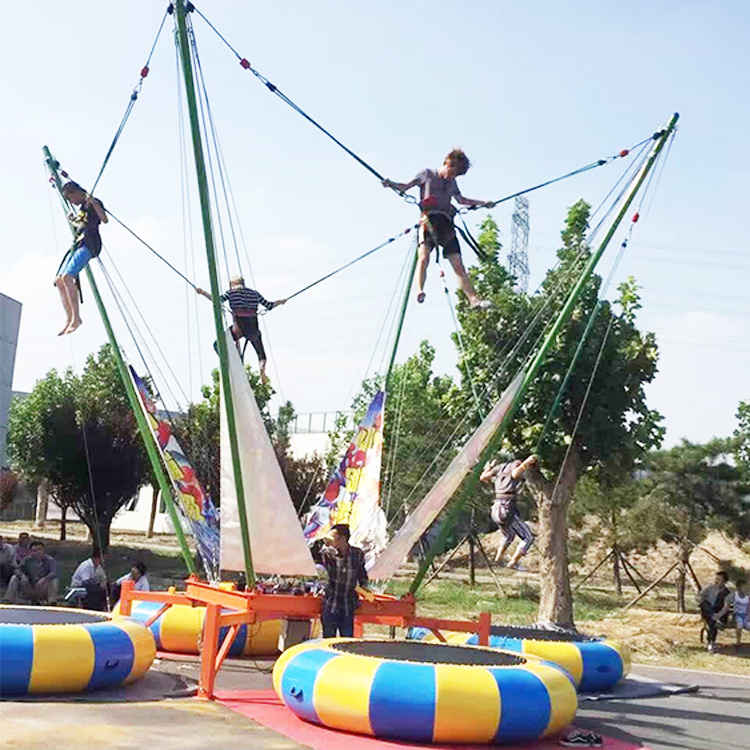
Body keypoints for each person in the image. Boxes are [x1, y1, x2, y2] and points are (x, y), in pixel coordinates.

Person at [382, 149, 494, 308]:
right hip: (429, 221)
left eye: (455, 176)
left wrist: (483, 203)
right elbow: (404, 187)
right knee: (424, 258)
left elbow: (461, 200)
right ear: (447, 163)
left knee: (458, 264)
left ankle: (473, 299)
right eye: (452, 173)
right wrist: (391, 184)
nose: (452, 177)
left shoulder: (452, 182)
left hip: (446, 223)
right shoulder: (427, 174)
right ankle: (420, 290)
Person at [196, 276, 286, 383]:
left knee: (217, 344)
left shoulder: (231, 293)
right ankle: (262, 367)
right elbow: (269, 305)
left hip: (238, 327)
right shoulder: (255, 293)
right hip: (253, 328)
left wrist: (203, 292)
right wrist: (280, 302)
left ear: (233, 284)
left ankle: (229, 362)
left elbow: (217, 299)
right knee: (261, 354)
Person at [55, 181, 108, 336]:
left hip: (91, 243)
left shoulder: (93, 202)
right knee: (59, 280)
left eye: (71, 198)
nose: (72, 202)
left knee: (67, 276)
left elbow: (104, 219)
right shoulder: (81, 209)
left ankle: (76, 318)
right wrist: (73, 220)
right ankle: (70, 318)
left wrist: (94, 204)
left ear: (76, 192)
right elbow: (81, 225)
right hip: (80, 242)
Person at [480, 454, 537, 570]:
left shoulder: (499, 468)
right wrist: (527, 462)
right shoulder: (516, 465)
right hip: (506, 509)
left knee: (509, 535)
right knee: (528, 537)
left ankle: (497, 559)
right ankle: (513, 563)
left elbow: (483, 477)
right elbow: (515, 473)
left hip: (496, 508)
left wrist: (489, 467)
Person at [312, 524, 369, 637]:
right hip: (330, 604)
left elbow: (362, 574)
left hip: (348, 605)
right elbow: (312, 553)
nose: (331, 540)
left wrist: (365, 588)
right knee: (328, 640)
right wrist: (321, 540)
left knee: (346, 641)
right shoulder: (327, 554)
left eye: (334, 537)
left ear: (343, 538)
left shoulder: (357, 554)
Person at [698, 570, 732, 653]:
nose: (716, 581)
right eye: (716, 579)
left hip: (720, 615)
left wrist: (718, 615)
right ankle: (711, 642)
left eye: (719, 579)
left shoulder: (727, 593)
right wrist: (700, 598)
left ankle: (711, 642)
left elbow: (726, 607)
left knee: (712, 622)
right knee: (704, 603)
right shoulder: (709, 589)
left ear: (724, 581)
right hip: (709, 613)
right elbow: (699, 597)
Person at [716, 577, 749, 652]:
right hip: (737, 614)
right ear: (739, 587)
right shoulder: (733, 595)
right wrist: (719, 615)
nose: (746, 589)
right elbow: (726, 606)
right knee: (739, 622)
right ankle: (738, 641)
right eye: (744, 587)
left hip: (746, 614)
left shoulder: (748, 596)